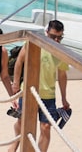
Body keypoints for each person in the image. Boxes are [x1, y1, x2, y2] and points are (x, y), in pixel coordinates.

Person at [8, 20, 70, 152]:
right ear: (46, 33)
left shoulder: (61, 51)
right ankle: (13, 147)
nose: (57, 40)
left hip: (49, 96)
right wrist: (15, 85)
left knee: (46, 128)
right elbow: (19, 61)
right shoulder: (33, 43)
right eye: (53, 36)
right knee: (22, 124)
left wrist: (64, 98)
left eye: (60, 37)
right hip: (28, 92)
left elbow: (62, 75)